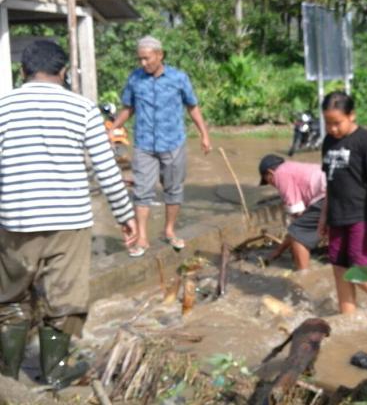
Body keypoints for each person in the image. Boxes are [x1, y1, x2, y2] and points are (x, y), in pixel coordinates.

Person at [0, 40, 137, 386]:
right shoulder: (83, 109)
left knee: (11, 298)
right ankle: (56, 371)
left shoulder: (2, 107)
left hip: (14, 219)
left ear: (23, 72)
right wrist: (125, 215)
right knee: (65, 299)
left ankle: (7, 375)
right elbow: (106, 170)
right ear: (63, 73)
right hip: (68, 222)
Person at [110, 36, 211, 257]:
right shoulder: (135, 79)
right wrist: (112, 129)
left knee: (173, 189)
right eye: (140, 59)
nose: (143, 64)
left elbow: (192, 107)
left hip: (173, 143)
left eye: (147, 59)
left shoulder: (178, 78)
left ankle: (169, 230)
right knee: (142, 191)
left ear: (159, 55)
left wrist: (204, 135)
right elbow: (128, 108)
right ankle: (143, 238)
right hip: (144, 144)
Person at [318, 91, 367, 314]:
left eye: (337, 123)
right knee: (339, 267)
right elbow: (330, 182)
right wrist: (324, 216)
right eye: (328, 123)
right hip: (336, 215)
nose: (332, 128)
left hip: (360, 215)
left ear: (352, 115)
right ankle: (348, 318)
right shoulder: (328, 142)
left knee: (359, 267)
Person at [259, 154, 326, 270]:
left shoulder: (280, 173)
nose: (273, 185)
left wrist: (278, 251)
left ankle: (303, 275)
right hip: (343, 188)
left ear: (270, 173)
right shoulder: (292, 167)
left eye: (268, 181)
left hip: (327, 194)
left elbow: (298, 218)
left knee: (298, 232)